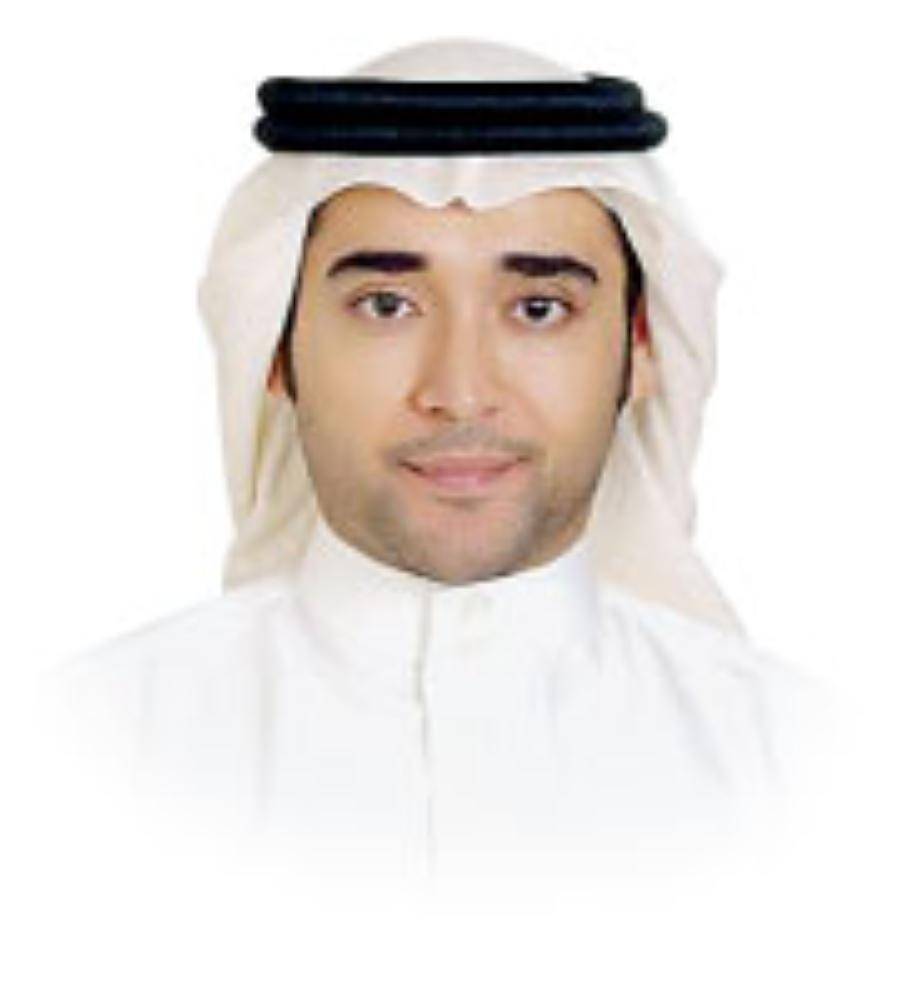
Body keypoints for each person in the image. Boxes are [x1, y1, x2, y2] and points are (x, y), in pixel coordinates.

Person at [56, 38, 818, 869]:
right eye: (386, 305)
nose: (460, 391)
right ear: (276, 346)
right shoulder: (78, 754)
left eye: (538, 308)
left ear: (640, 349)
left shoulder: (802, 768)